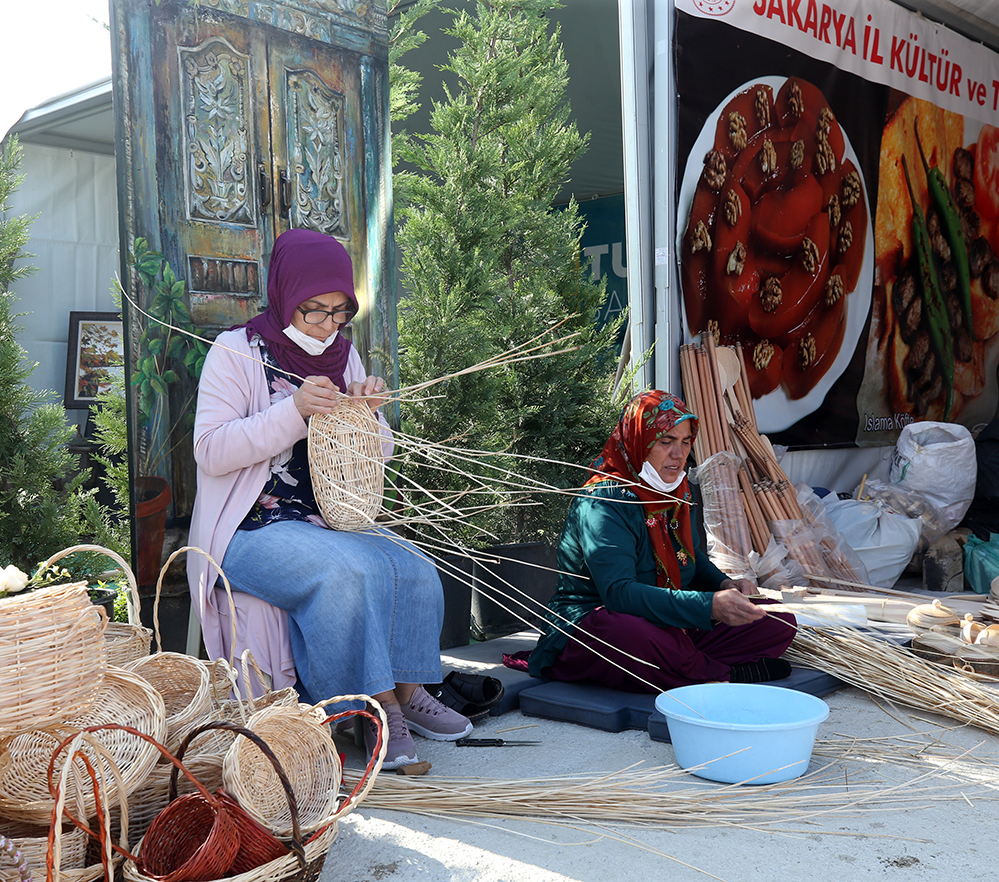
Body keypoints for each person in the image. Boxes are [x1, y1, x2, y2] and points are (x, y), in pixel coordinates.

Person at [185, 228, 472, 770]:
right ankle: (367, 712)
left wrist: (370, 414)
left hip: (328, 518)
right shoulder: (237, 352)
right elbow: (210, 451)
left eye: (340, 313)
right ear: (285, 294)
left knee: (414, 567)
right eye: (313, 311)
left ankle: (407, 694)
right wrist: (293, 412)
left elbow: (375, 454)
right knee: (346, 574)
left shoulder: (345, 356)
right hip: (249, 528)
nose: (326, 326)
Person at [524, 390, 796, 691]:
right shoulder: (603, 502)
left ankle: (685, 664)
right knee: (633, 634)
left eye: (685, 441)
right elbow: (618, 594)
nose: (678, 455)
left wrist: (724, 586)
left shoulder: (676, 491)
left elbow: (692, 558)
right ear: (639, 442)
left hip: (666, 620)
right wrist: (709, 607)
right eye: (665, 441)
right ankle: (721, 674)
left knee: (776, 618)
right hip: (597, 625)